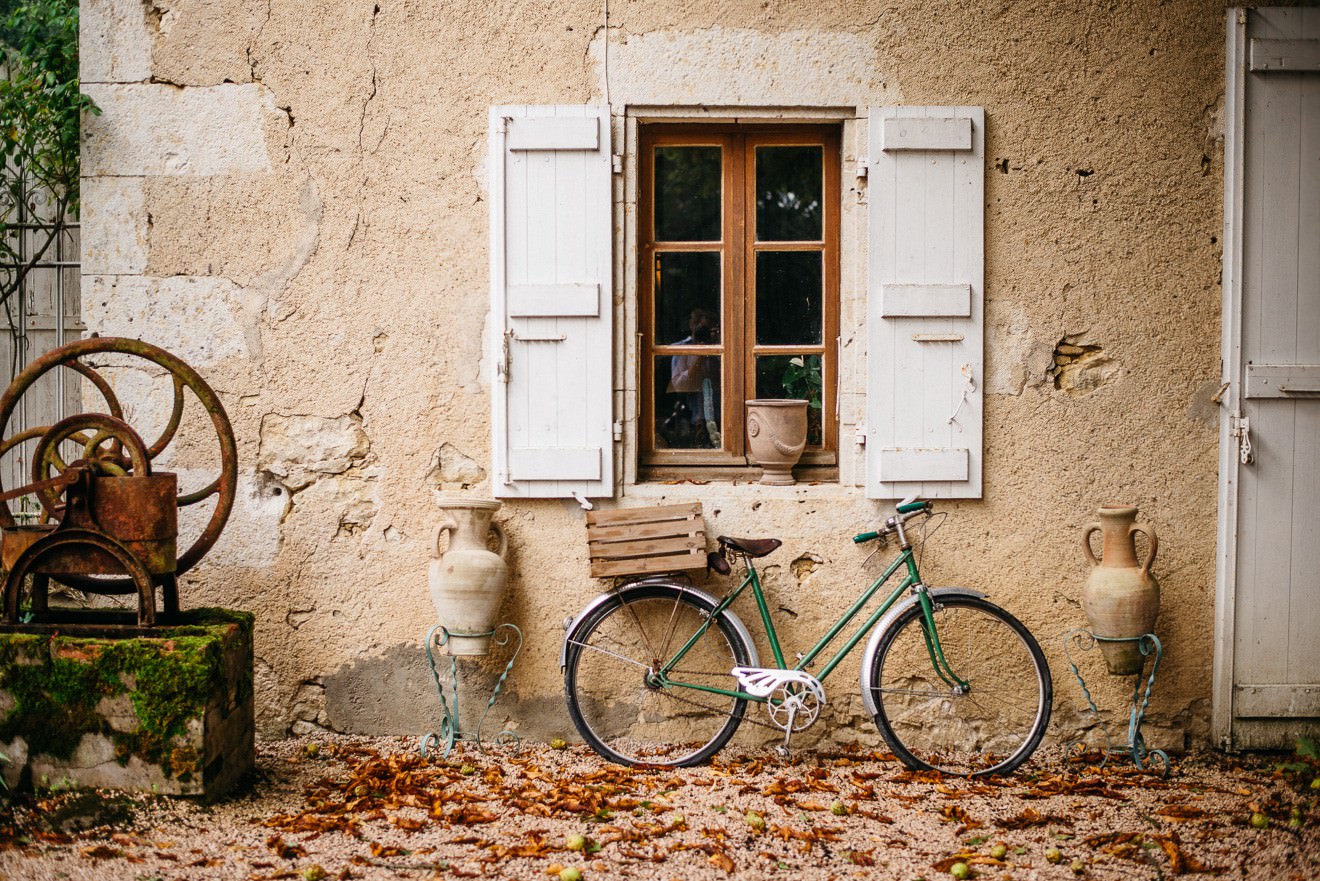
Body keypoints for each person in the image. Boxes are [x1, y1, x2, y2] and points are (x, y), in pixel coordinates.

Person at [663, 306, 720, 448]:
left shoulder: (721, 347)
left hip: (722, 416)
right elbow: (679, 385)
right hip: (694, 420)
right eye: (699, 326)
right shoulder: (682, 348)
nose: (702, 332)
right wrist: (699, 357)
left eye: (706, 329)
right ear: (691, 325)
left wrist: (715, 349)